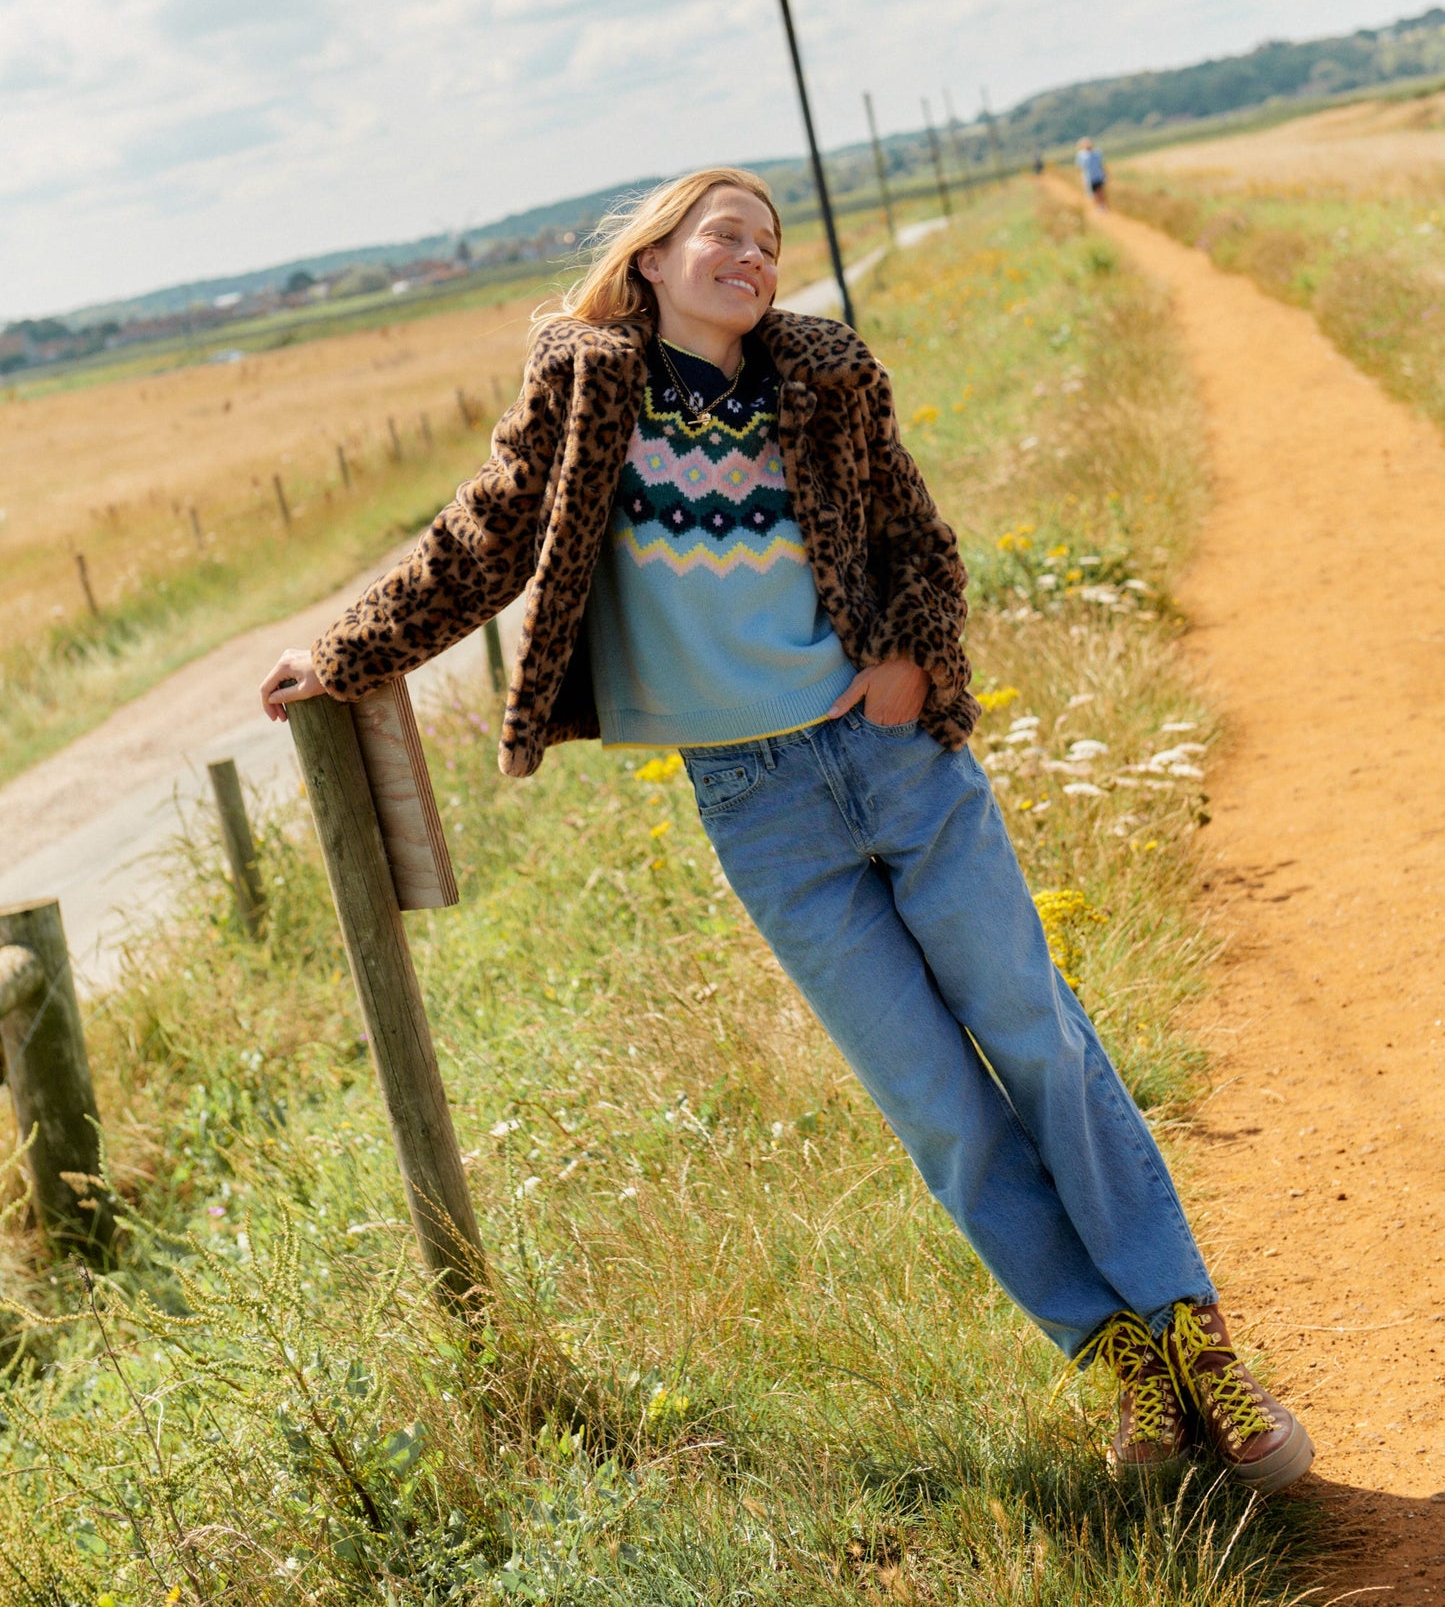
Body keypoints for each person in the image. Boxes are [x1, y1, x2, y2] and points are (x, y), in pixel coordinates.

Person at [260, 167, 1311, 1492]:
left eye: (767, 243)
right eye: (723, 235)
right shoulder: (585, 386)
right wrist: (345, 652)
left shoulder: (824, 372)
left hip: (889, 756)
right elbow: (484, 538)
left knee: (1033, 1035)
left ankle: (1193, 1342)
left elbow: (921, 544)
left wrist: (912, 663)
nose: (751, 258)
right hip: (754, 803)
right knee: (935, 1104)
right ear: (652, 258)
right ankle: (1119, 1367)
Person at [1076, 137, 1108, 206]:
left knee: (1101, 191)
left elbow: (1101, 164)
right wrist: (1081, 178)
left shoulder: (1097, 152)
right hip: (1089, 178)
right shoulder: (1081, 155)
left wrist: (1105, 173)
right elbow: (1079, 168)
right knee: (1093, 194)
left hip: (1098, 176)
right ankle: (1098, 206)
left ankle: (1103, 205)